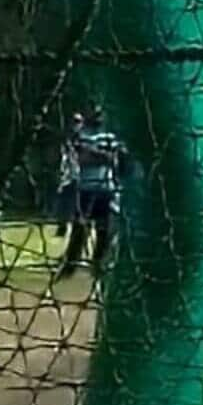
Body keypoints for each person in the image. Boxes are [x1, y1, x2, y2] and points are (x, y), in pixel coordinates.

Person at [57, 107, 127, 281]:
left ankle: (98, 267)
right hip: (86, 189)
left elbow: (117, 158)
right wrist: (105, 156)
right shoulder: (82, 134)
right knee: (80, 230)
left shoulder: (111, 135)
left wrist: (99, 155)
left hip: (106, 189)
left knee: (105, 231)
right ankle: (69, 268)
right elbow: (83, 159)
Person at [54, 112, 83, 239]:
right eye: (74, 122)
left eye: (78, 122)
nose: (76, 125)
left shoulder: (82, 138)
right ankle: (62, 228)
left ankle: (77, 227)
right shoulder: (67, 138)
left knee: (76, 205)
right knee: (63, 203)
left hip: (78, 176)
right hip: (67, 176)